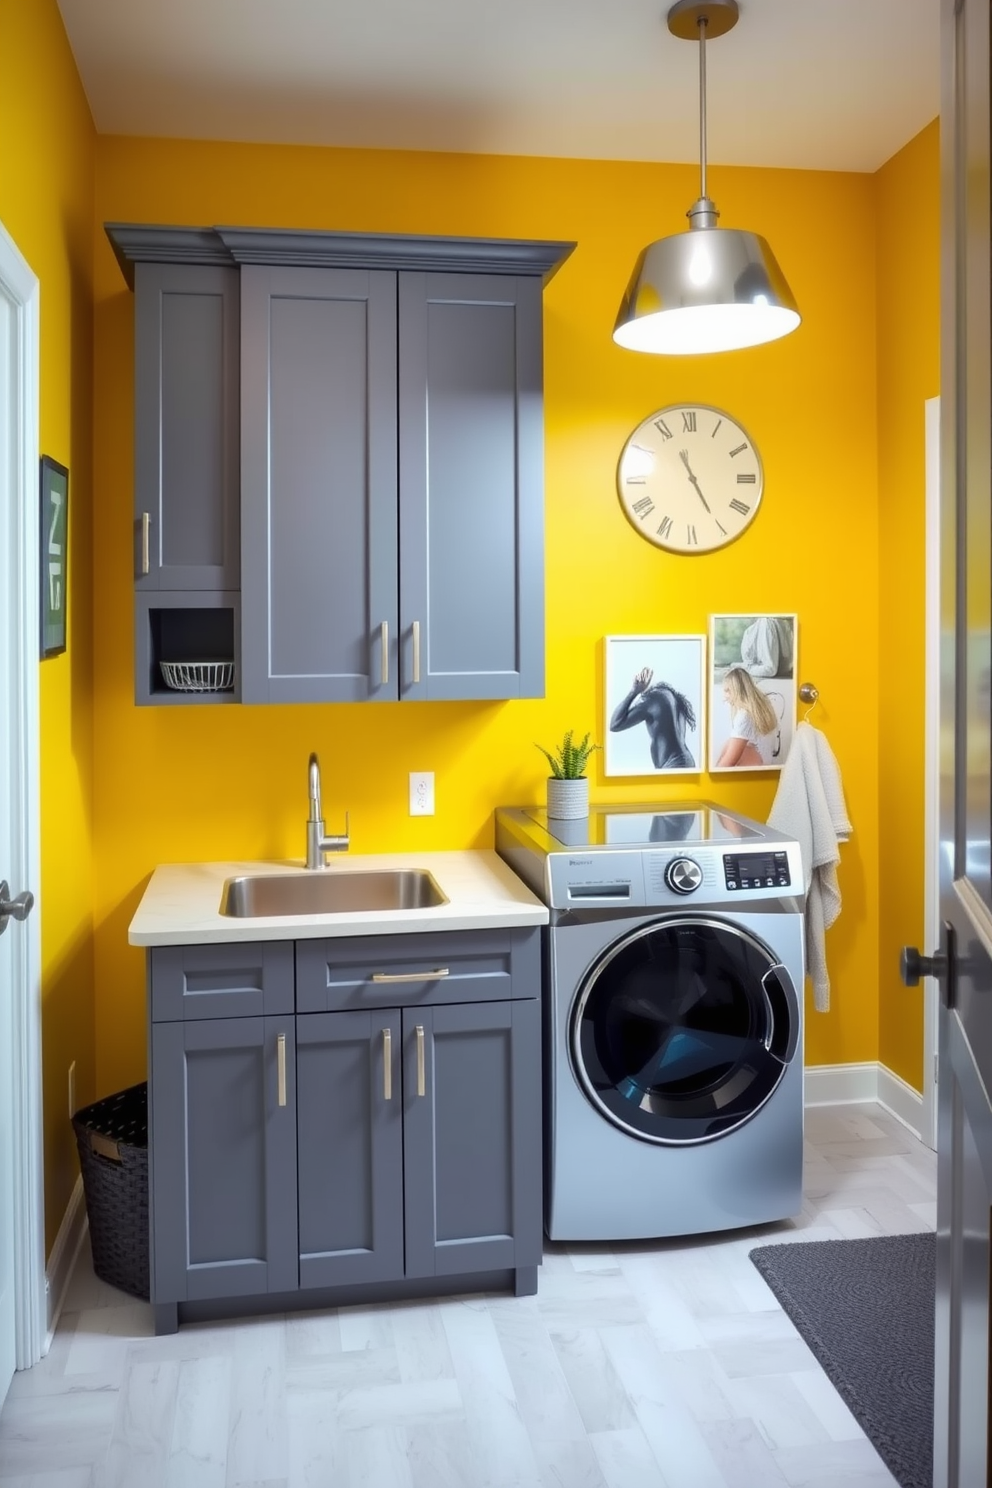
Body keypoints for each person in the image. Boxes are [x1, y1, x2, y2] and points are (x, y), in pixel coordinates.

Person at [609, 667, 697, 769]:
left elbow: (614, 725)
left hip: (674, 764)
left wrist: (634, 692)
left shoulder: (653, 698)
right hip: (687, 761)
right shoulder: (673, 698)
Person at [716, 665, 779, 767]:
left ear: (737, 690)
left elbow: (727, 763)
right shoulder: (762, 707)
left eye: (727, 691)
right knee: (730, 743)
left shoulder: (744, 716)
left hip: (756, 764)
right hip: (766, 763)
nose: (725, 697)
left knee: (729, 746)